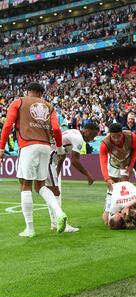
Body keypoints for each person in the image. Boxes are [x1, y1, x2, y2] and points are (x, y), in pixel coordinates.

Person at [0, 82, 67, 237]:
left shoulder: (19, 101)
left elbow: (8, 124)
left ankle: (30, 229)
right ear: (41, 93)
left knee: (25, 185)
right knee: (41, 185)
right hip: (45, 147)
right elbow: (56, 129)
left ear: (27, 91)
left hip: (28, 144)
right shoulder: (49, 106)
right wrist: (59, 148)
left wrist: (2, 147)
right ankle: (59, 213)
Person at [45, 122, 100, 232]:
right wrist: (88, 175)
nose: (92, 139)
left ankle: (55, 223)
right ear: (86, 131)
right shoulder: (78, 138)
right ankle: (59, 224)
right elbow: (74, 161)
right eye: (92, 136)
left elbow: (62, 156)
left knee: (54, 192)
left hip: (49, 160)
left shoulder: (73, 133)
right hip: (48, 160)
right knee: (55, 192)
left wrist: (57, 172)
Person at [99, 123, 136, 224]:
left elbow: (135, 150)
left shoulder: (131, 136)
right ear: (110, 135)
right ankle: (108, 210)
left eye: (118, 136)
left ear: (122, 133)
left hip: (126, 162)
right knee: (112, 188)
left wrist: (131, 166)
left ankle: (127, 210)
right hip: (113, 163)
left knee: (125, 186)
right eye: (113, 137)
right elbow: (103, 162)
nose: (116, 139)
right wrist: (107, 178)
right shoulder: (104, 143)